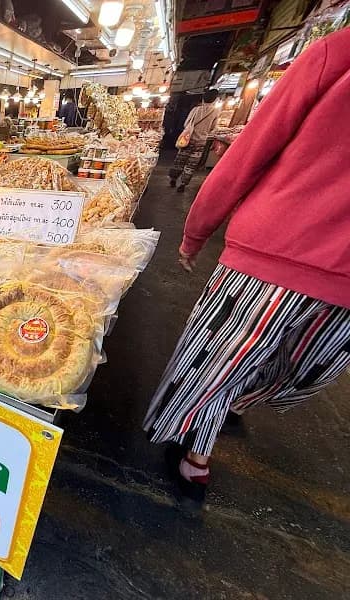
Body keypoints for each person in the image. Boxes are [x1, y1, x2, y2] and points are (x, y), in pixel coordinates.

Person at [143, 27, 350, 505]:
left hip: (277, 249)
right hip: (315, 270)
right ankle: (227, 412)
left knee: (218, 360)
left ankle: (200, 443)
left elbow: (251, 150)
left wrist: (198, 229)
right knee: (293, 364)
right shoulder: (336, 53)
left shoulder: (336, 52)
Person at [168, 88, 219, 193]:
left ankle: (173, 179)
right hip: (201, 142)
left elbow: (186, 123)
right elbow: (213, 128)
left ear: (203, 99)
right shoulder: (215, 112)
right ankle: (183, 184)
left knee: (180, 160)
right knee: (191, 164)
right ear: (214, 100)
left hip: (188, 139)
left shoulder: (196, 110)